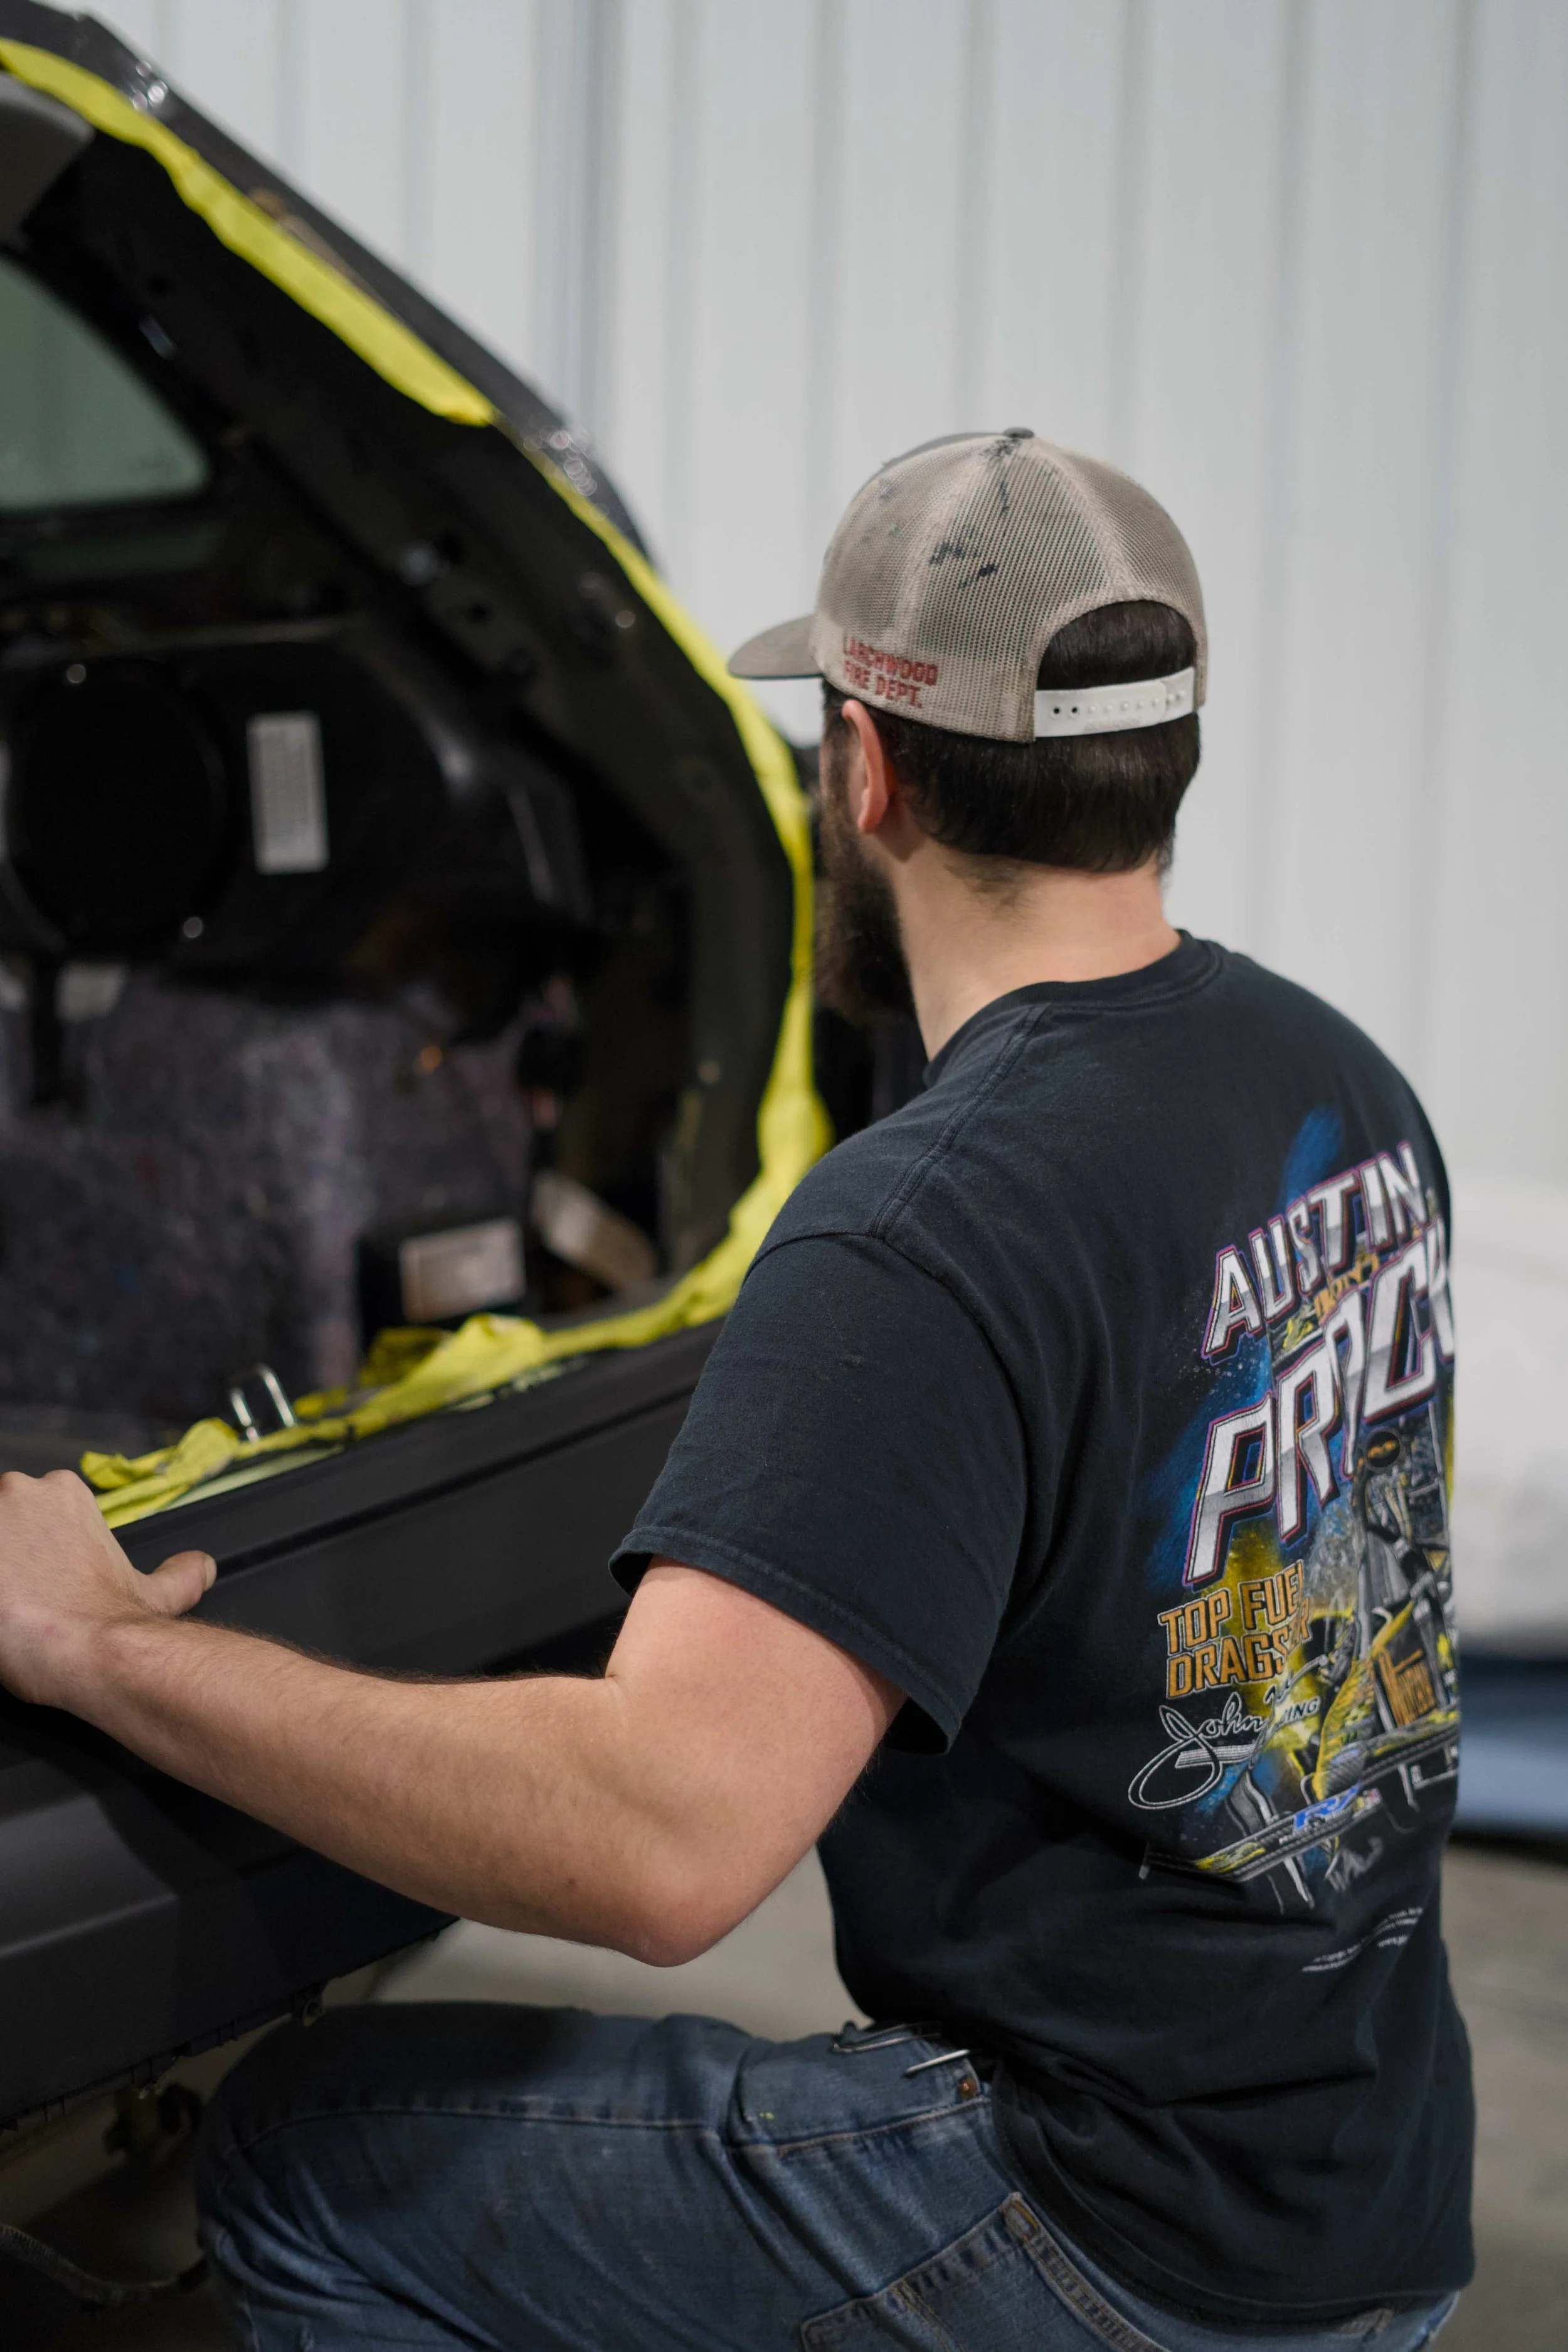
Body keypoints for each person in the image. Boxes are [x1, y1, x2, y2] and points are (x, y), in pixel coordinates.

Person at [0, 433, 1468, 2349]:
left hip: (1101, 2230)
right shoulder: (1340, 1084)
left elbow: (658, 1843)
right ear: (1158, 755)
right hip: (1365, 2190)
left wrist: (104, 1649)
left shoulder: (924, 1226)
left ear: (862, 767)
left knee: (301, 2146)